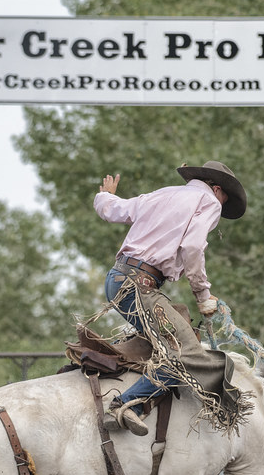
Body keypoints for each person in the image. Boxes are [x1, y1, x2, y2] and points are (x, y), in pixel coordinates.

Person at [92, 160, 251, 436]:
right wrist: (203, 295)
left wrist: (105, 196)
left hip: (117, 280)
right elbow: (192, 247)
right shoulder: (209, 202)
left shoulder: (162, 193)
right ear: (217, 189)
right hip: (139, 286)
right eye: (224, 199)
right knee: (185, 354)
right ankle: (126, 405)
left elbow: (114, 210)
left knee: (174, 337)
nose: (221, 207)